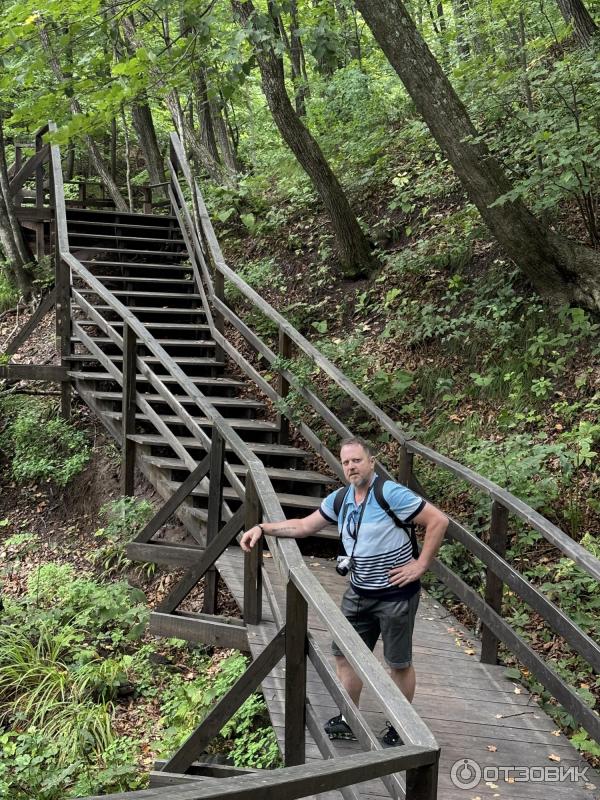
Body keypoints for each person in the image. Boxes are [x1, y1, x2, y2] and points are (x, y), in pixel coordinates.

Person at [240, 436, 448, 746]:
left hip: (395, 594)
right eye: (346, 461)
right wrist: (263, 528)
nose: (351, 466)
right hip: (359, 590)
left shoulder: (390, 494)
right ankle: (348, 718)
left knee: (398, 662)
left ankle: (400, 725)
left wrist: (420, 565)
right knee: (344, 655)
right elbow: (303, 526)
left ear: (371, 462)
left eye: (357, 460)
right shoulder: (341, 499)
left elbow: (438, 521)